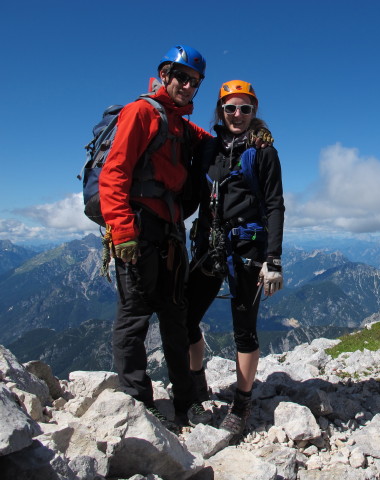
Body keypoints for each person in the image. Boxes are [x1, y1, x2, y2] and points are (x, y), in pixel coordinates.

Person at [99, 45, 215, 431]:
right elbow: (113, 173)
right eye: (180, 77)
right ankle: (137, 400)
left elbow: (214, 141)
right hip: (138, 227)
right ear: (164, 75)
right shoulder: (142, 112)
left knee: (174, 314)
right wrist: (122, 230)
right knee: (134, 313)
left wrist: (255, 133)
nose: (186, 85)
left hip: (169, 232)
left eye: (194, 81)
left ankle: (185, 401)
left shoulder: (180, 125)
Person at [186, 80, 285, 436]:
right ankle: (197, 386)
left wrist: (272, 259)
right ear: (220, 111)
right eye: (231, 108)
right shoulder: (206, 148)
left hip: (247, 250)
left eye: (245, 109)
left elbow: (274, 205)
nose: (238, 115)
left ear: (254, 112)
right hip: (208, 246)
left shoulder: (264, 152)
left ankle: (242, 403)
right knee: (185, 318)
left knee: (244, 329)